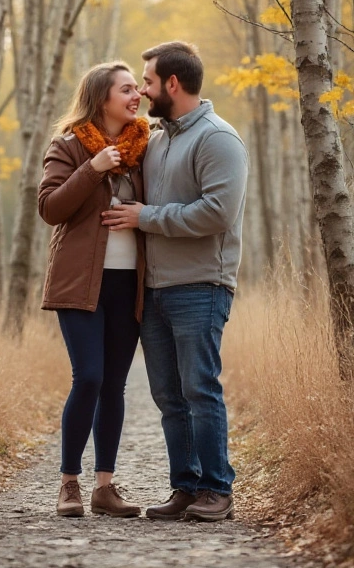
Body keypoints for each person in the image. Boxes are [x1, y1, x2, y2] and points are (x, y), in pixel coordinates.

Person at [102, 41, 248, 522]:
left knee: (199, 389)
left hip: (201, 285)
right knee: (168, 395)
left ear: (172, 83)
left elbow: (218, 212)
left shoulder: (218, 138)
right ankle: (185, 487)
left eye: (146, 81)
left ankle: (217, 490)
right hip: (156, 289)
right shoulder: (158, 139)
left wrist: (147, 217)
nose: (141, 92)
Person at [37, 62, 148, 518]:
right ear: (102, 97)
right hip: (81, 282)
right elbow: (50, 208)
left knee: (115, 385)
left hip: (130, 282)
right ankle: (69, 484)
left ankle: (105, 487)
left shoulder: (145, 146)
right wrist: (94, 168)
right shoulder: (67, 145)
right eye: (126, 89)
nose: (136, 95)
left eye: (136, 88)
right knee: (89, 377)